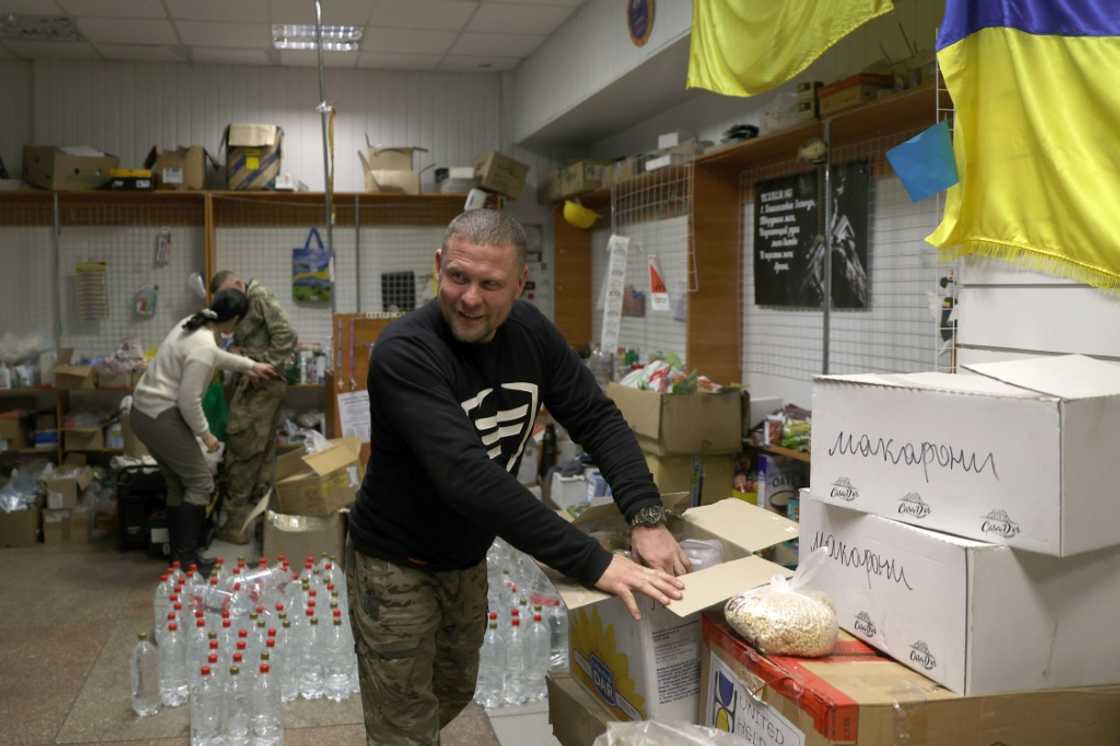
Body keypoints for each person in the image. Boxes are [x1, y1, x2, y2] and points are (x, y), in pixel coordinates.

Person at [346, 209, 690, 746]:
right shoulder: (405, 353)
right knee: (404, 726)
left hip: (464, 558)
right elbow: (468, 478)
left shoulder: (530, 333)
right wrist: (596, 563)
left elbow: (596, 418)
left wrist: (646, 516)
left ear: (520, 284)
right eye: (457, 276)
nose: (470, 297)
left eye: (490, 284)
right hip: (395, 563)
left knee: (452, 692)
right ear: (439, 265)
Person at [130, 289, 277, 570]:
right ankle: (187, 561)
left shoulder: (193, 323)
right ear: (233, 320)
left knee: (179, 482)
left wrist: (250, 366)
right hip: (160, 414)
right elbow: (189, 400)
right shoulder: (204, 346)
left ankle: (180, 558)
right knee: (200, 482)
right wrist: (206, 436)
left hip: (143, 411)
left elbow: (213, 357)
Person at [207, 270, 297, 544]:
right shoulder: (246, 303)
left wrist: (259, 362)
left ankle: (236, 525)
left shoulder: (259, 297)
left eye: (228, 293)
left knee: (243, 448)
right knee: (262, 452)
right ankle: (258, 522)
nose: (228, 298)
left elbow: (287, 336)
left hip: (262, 385)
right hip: (257, 385)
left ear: (238, 284)